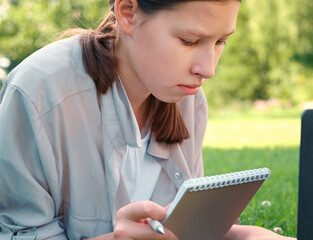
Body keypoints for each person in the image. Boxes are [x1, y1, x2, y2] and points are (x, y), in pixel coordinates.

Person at [0, 0, 296, 239]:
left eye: (221, 42)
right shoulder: (37, 92)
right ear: (128, 13)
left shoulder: (188, 101)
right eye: (190, 41)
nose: (208, 69)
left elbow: (180, 231)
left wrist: (248, 236)